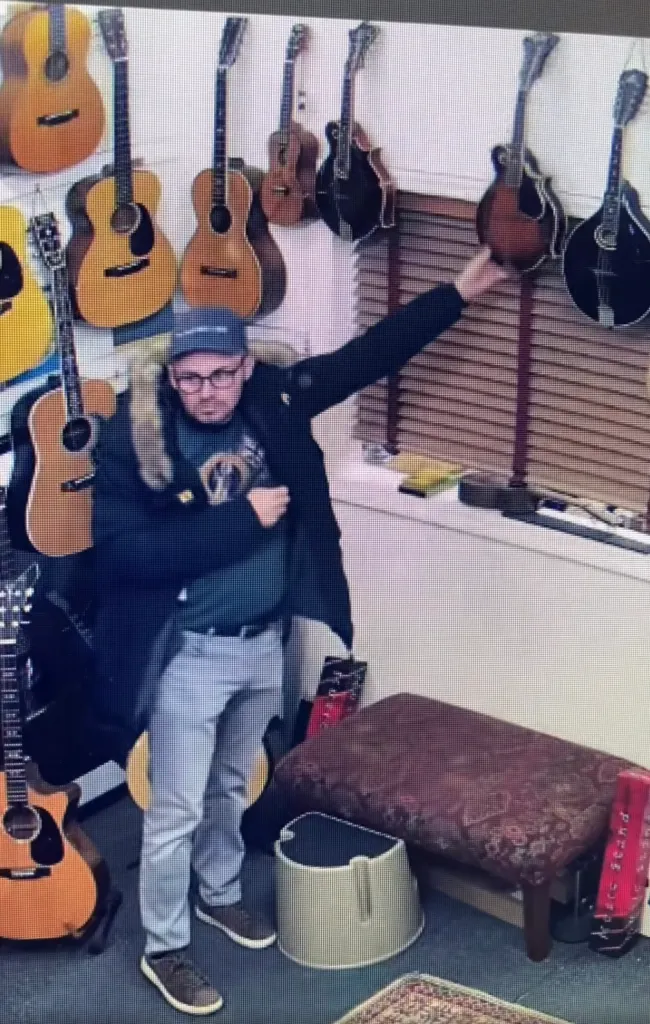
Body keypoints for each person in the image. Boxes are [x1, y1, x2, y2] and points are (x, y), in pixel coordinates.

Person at [90, 245, 509, 1015]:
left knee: (230, 784)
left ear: (246, 368)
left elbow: (366, 358)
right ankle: (165, 947)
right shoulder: (135, 440)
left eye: (221, 374)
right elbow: (121, 555)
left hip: (263, 642)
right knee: (175, 808)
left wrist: (460, 290)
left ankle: (218, 893)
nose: (207, 392)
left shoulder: (272, 402)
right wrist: (237, 523)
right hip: (188, 653)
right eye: (191, 378)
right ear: (171, 376)